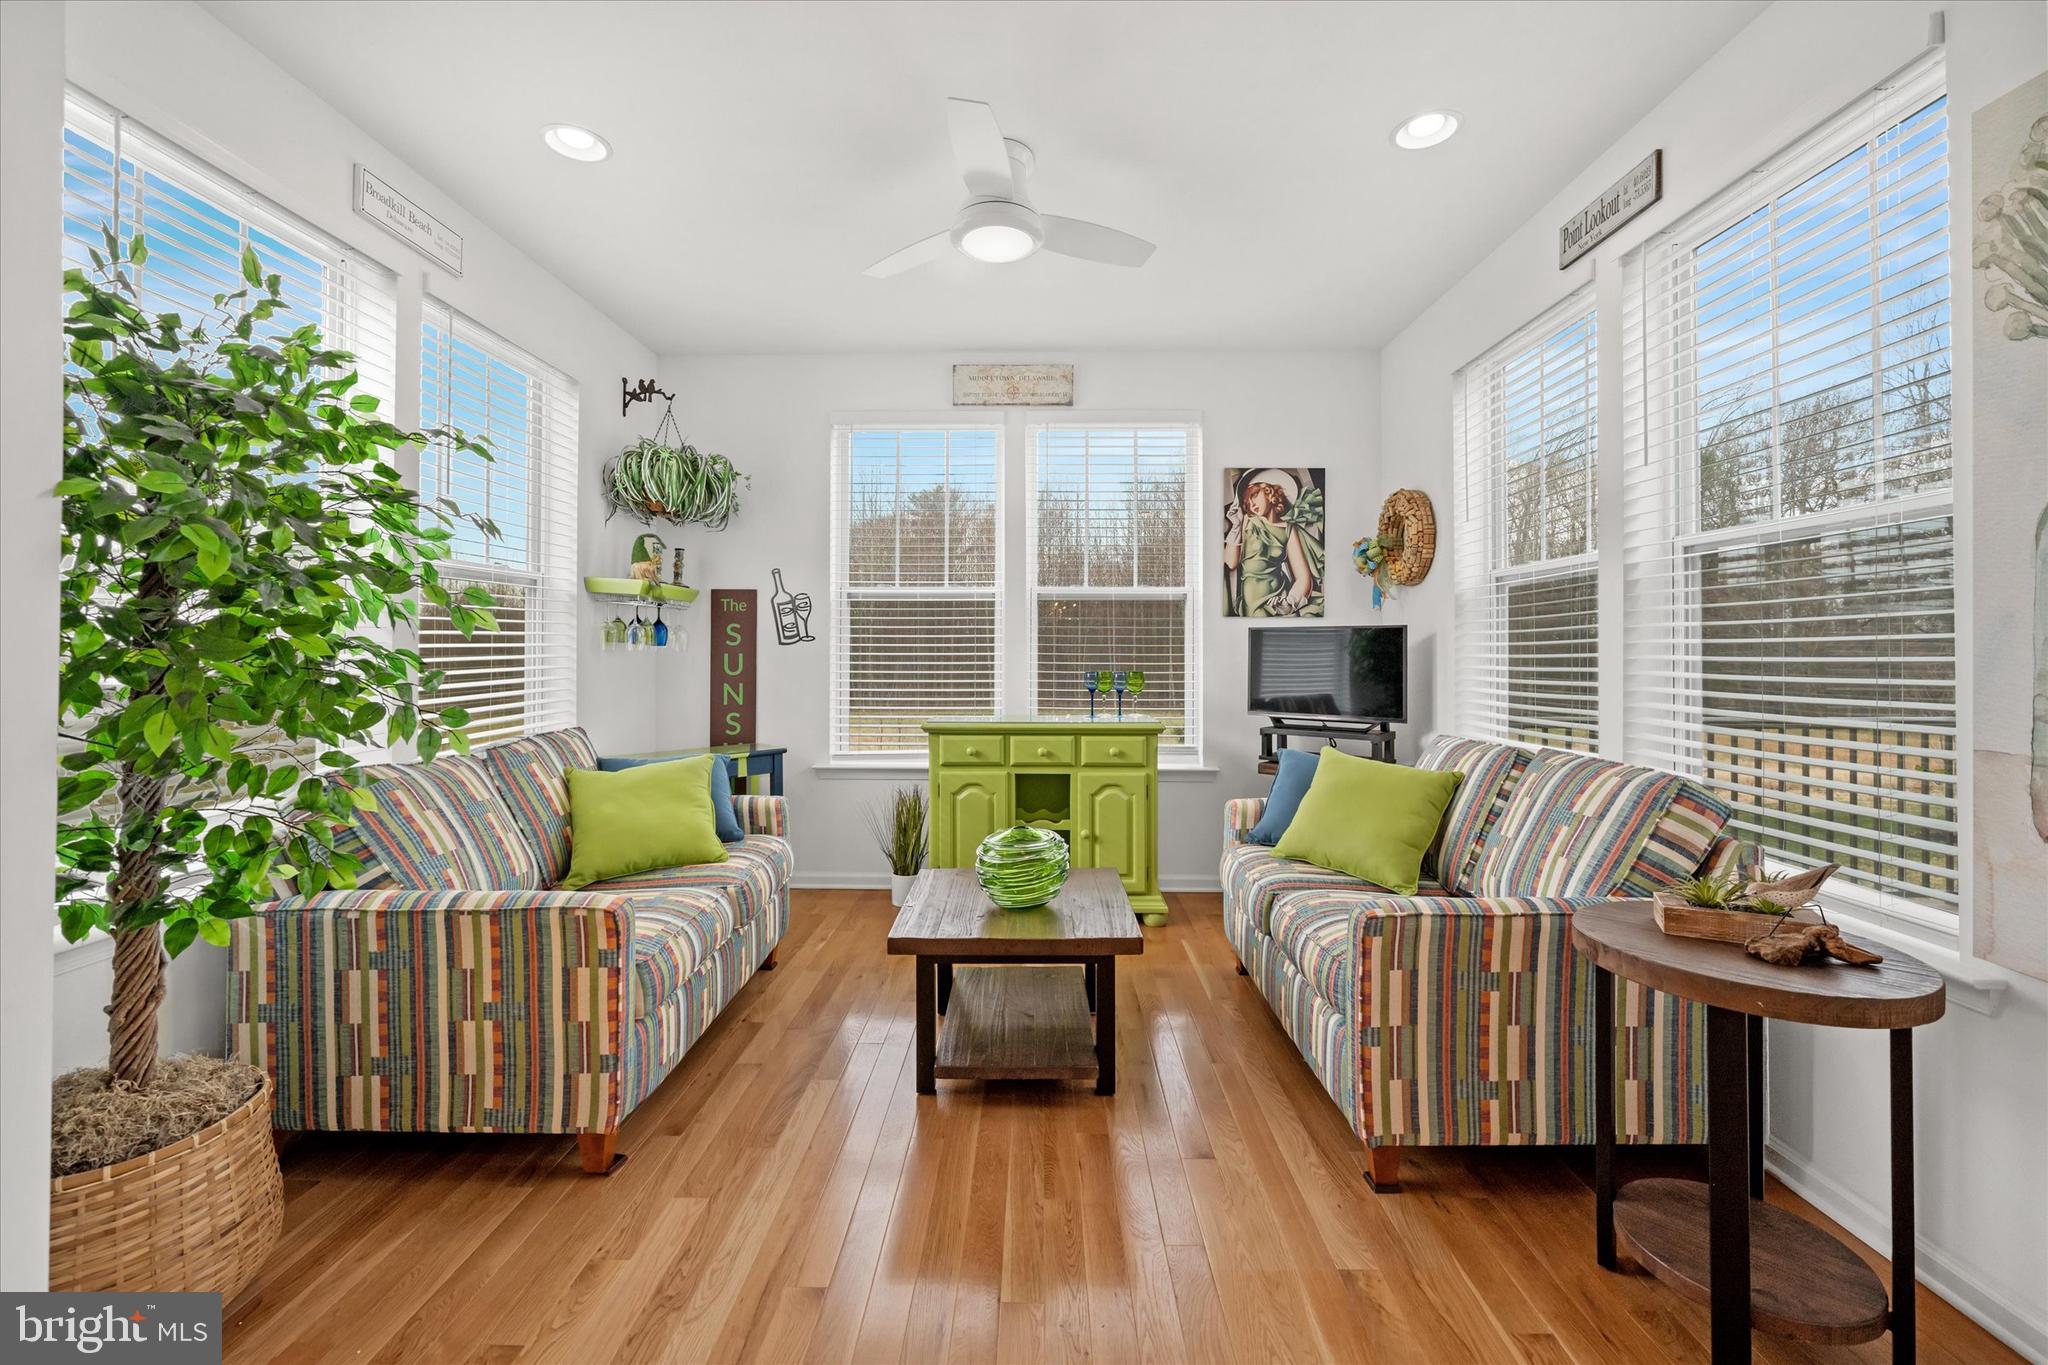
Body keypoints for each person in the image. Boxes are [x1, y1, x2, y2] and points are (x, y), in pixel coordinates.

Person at [1223, 468, 1323, 616]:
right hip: (1253, 603)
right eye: (1247, 501)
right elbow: (1230, 563)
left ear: (1269, 491)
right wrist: (1236, 526)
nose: (1251, 504)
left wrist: (1288, 603)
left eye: (1255, 495)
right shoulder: (1248, 521)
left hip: (1279, 600)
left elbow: (1303, 577)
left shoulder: (1288, 528)